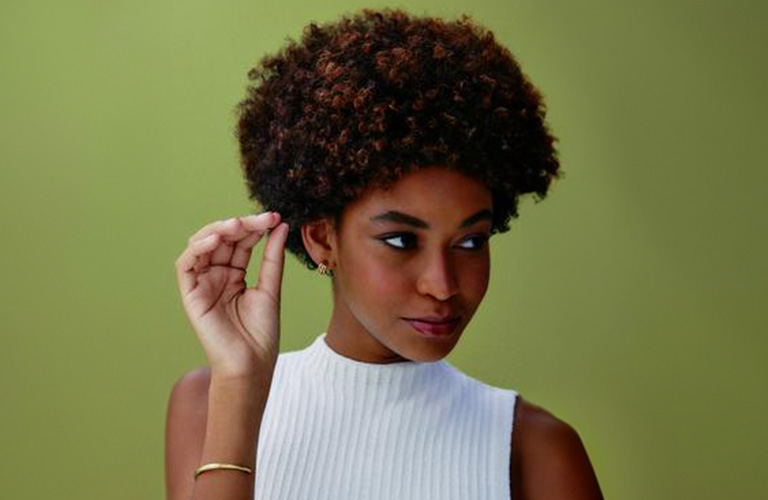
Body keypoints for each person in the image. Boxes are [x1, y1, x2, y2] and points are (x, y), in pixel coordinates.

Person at [165, 7, 603, 500]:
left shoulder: (533, 451)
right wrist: (241, 381)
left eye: (470, 242)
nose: (442, 284)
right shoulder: (211, 402)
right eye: (400, 241)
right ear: (321, 238)